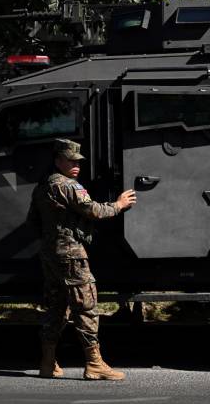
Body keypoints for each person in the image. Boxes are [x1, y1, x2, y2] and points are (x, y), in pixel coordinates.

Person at [27, 138, 136, 380]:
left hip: (50, 255)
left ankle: (47, 363)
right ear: (58, 161)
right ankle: (94, 363)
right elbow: (94, 211)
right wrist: (118, 205)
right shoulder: (68, 186)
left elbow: (32, 221)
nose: (76, 164)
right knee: (85, 306)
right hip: (72, 255)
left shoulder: (42, 186)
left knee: (55, 308)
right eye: (70, 160)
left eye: (78, 161)